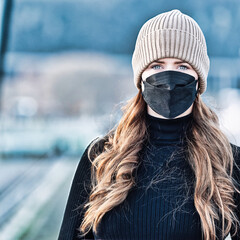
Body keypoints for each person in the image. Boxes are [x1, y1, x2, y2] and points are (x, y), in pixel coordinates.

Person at [58, 9, 240, 240]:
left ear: (199, 78)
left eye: (183, 66)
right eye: (157, 66)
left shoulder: (228, 162)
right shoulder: (101, 157)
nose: (169, 76)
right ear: (141, 77)